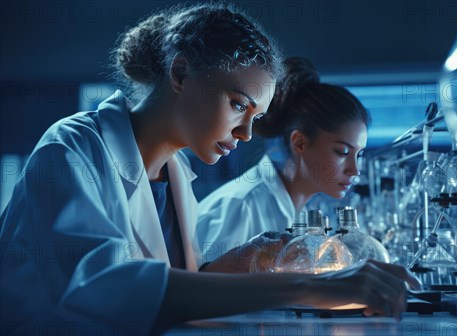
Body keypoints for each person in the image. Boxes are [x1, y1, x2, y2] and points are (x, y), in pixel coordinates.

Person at [0, 3, 420, 334]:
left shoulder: (177, 174)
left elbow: (169, 289)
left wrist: (231, 266)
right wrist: (313, 286)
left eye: (255, 117)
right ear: (181, 73)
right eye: (239, 105)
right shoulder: (73, 147)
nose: (245, 133)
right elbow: (102, 286)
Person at [196, 57, 370, 266]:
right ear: (300, 143)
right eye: (342, 152)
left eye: (359, 154)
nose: (354, 170)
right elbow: (203, 292)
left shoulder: (299, 213)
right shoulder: (242, 208)